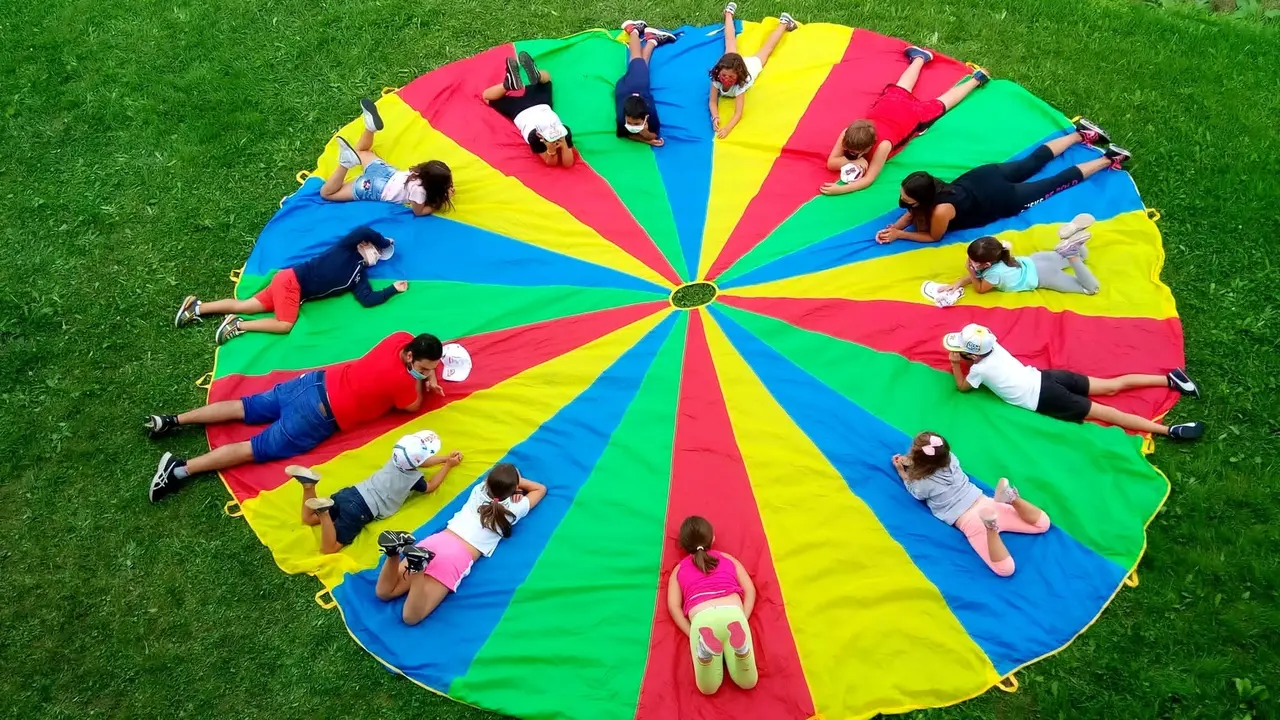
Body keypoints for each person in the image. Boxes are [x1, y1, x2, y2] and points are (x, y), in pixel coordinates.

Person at [145, 332, 446, 502]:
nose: (426, 371)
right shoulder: (403, 383)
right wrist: (424, 380)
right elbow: (412, 406)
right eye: (425, 366)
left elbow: (410, 364)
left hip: (312, 383)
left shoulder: (400, 338)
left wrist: (423, 371)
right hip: (317, 417)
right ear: (410, 357)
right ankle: (179, 470)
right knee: (255, 448)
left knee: (243, 406)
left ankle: (172, 420)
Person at [877, 118, 1128, 243]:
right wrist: (895, 226)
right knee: (1032, 162)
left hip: (1000, 198)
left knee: (1053, 183)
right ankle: (1080, 134)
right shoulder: (930, 187)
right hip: (983, 177)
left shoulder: (941, 210)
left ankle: (1109, 159)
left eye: (906, 199)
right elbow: (912, 211)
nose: (902, 201)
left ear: (923, 197)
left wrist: (900, 235)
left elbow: (934, 237)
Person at [942, 323, 1205, 441]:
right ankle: (1169, 379)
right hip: (1048, 377)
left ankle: (1169, 431)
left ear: (974, 354)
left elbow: (962, 388)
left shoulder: (980, 370)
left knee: (1109, 414)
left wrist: (956, 365)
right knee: (1111, 385)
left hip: (1045, 398)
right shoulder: (994, 348)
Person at [374, 463, 546, 625]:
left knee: (384, 593)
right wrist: (519, 488)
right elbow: (540, 488)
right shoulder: (514, 509)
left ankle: (393, 553)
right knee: (411, 617)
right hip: (457, 556)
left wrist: (513, 484)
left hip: (436, 542)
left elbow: (496, 479)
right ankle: (418, 569)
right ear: (514, 487)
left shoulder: (479, 490)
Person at [173, 226, 409, 345]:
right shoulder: (346, 248)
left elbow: (368, 299)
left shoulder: (358, 276)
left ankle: (197, 308)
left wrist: (392, 290)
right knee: (285, 324)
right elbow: (363, 231)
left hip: (287, 284)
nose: (376, 255)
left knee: (246, 304)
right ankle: (239, 325)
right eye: (376, 250)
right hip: (292, 283)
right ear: (365, 244)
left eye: (379, 254)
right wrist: (383, 240)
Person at [821, 47, 990, 195]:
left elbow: (869, 178)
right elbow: (831, 163)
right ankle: (919, 58)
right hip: (888, 107)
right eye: (848, 149)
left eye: (856, 152)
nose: (851, 153)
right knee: (900, 88)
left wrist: (840, 189)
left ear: (868, 146)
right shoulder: (847, 133)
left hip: (910, 116)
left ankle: (976, 80)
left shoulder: (883, 145)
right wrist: (854, 160)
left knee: (941, 104)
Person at [891, 432, 1050, 576]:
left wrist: (902, 472)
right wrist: (912, 460)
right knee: (1043, 524)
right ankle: (1012, 498)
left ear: (918, 460)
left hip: (970, 520)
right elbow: (931, 461)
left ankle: (991, 528)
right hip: (987, 502)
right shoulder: (952, 459)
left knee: (1005, 569)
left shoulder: (922, 483)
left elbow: (915, 492)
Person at [292, 431, 463, 554]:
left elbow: (420, 462)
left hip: (351, 493)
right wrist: (448, 465)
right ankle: (323, 513)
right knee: (329, 549)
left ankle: (309, 486)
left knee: (308, 519)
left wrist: (445, 458)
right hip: (360, 510)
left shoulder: (396, 458)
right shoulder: (414, 479)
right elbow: (431, 486)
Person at [665, 515, 758, 695]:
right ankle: (741, 650)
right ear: (712, 538)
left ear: (683, 546)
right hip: (733, 615)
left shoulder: (679, 569)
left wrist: (691, 632)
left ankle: (705, 655)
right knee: (748, 682)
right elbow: (750, 590)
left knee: (708, 689)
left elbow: (673, 607)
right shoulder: (727, 558)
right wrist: (743, 618)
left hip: (702, 620)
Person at [319, 98, 454, 216]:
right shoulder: (419, 192)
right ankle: (345, 163)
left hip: (385, 172)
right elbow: (418, 212)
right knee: (327, 193)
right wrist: (441, 201)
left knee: (361, 151)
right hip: (375, 187)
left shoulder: (417, 172)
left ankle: (370, 128)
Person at [936, 217, 1100, 297]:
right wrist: (958, 283)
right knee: (1084, 254)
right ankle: (1071, 238)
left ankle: (1071, 255)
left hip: (1043, 275)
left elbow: (979, 288)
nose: (969, 263)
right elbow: (976, 275)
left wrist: (970, 271)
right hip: (1036, 260)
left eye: (972, 261)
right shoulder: (999, 252)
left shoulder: (994, 274)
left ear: (986, 264)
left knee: (1090, 289)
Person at [708, 3, 797, 139]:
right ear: (719, 71)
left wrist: (727, 129)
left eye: (730, 77)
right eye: (724, 75)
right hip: (732, 64)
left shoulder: (740, 83)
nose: (726, 79)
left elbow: (738, 113)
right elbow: (712, 102)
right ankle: (728, 13)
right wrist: (715, 117)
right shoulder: (718, 77)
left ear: (737, 76)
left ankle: (784, 23)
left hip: (749, 67)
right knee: (730, 41)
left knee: (766, 50)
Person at [481, 52, 576, 167]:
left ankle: (509, 84)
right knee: (546, 79)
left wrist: (560, 146)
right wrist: (552, 149)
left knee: (487, 97)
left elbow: (564, 164)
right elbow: (566, 164)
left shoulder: (538, 136)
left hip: (522, 110)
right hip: (537, 106)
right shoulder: (541, 135)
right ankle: (535, 76)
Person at [616, 21, 678, 146]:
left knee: (636, 58)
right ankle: (651, 39)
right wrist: (647, 139)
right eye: (631, 123)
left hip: (631, 84)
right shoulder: (623, 119)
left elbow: (652, 135)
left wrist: (645, 134)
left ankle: (633, 30)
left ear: (645, 118)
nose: (632, 126)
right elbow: (628, 134)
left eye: (636, 124)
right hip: (637, 84)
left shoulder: (651, 114)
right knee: (639, 61)